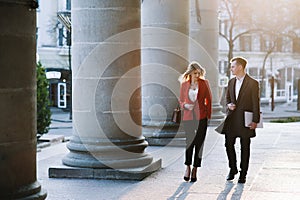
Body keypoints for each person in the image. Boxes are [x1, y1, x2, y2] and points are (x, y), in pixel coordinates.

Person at [219, 56, 260, 184]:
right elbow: (227, 98)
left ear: (240, 67)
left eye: (232, 66)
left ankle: (243, 173)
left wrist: (255, 120)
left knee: (245, 147)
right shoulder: (231, 82)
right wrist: (229, 105)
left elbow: (255, 103)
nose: (231, 68)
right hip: (232, 119)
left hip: (245, 120)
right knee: (228, 144)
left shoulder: (253, 83)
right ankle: (233, 168)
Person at [179, 61, 212, 182]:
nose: (197, 75)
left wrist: (208, 116)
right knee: (189, 142)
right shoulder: (184, 85)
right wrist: (185, 106)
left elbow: (209, 100)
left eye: (199, 73)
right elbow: (181, 100)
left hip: (201, 117)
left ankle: (195, 169)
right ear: (190, 73)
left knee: (199, 144)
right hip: (188, 117)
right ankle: (187, 167)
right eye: (195, 73)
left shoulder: (204, 83)